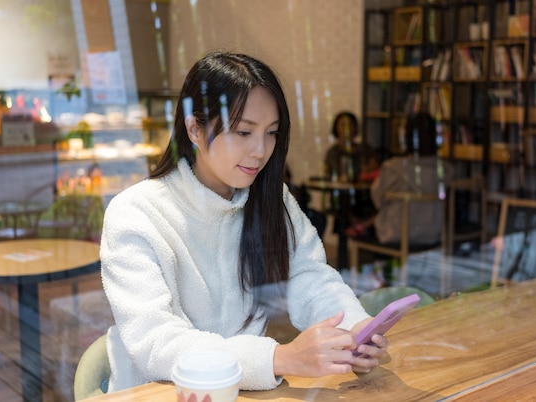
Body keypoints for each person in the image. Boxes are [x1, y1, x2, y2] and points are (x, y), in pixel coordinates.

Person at [100, 51, 388, 393]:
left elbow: (309, 277)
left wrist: (355, 331)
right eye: (243, 132)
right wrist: (278, 359)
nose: (260, 150)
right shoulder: (136, 214)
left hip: (244, 392)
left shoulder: (272, 198)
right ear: (194, 128)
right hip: (160, 394)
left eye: (271, 133)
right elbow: (156, 343)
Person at [348, 112, 453, 245]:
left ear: (407, 137)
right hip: (433, 234)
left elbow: (377, 199)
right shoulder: (446, 169)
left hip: (397, 233)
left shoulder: (394, 167)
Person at [324, 111, 379, 183]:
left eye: (350, 125)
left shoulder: (365, 149)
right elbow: (327, 174)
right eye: (342, 125)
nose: (346, 129)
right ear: (336, 128)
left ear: (355, 127)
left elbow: (375, 170)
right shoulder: (332, 152)